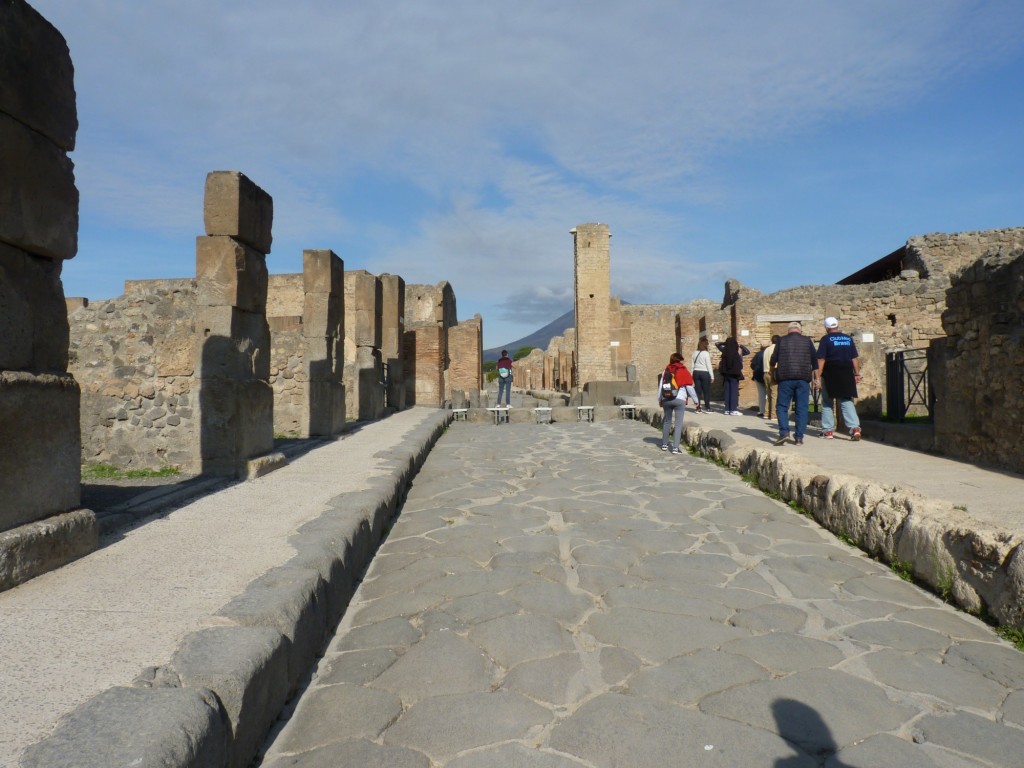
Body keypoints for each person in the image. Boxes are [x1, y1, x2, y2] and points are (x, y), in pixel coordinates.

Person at [769, 322, 818, 446]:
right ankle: (799, 438)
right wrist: (817, 378)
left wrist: (771, 371)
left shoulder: (781, 340)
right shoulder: (807, 341)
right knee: (802, 408)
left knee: (782, 407)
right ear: (800, 331)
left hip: (785, 378)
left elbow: (773, 359)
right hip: (803, 378)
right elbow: (814, 361)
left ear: (788, 330)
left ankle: (784, 433)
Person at [816, 317, 862, 440]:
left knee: (827, 402)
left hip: (830, 372)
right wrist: (857, 373)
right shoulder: (848, 338)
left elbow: (821, 359)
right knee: (846, 400)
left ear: (826, 327)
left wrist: (817, 377)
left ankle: (828, 431)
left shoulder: (825, 339)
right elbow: (854, 358)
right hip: (847, 372)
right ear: (837, 325)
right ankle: (855, 428)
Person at [658, 352, 698, 454]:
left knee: (667, 421)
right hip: (680, 399)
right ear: (680, 360)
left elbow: (660, 386)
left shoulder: (665, 371)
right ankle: (675, 447)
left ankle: (664, 444)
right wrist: (696, 400)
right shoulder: (683, 370)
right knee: (678, 423)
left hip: (666, 398)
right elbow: (689, 387)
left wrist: (660, 399)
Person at [715, 337, 750, 415]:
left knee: (727, 391)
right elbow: (747, 352)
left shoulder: (725, 351)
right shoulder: (737, 352)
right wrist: (740, 345)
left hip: (726, 374)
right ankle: (733, 409)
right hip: (735, 374)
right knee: (734, 391)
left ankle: (727, 409)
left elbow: (717, 344)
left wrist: (725, 343)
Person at [690, 338, 714, 412]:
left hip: (696, 372)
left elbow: (692, 365)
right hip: (704, 373)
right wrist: (712, 376)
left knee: (698, 391)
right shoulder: (706, 353)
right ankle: (707, 408)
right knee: (706, 391)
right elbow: (708, 365)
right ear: (705, 345)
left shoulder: (694, 353)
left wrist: (691, 374)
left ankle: (698, 408)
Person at [762, 334, 780, 420]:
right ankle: (773, 414)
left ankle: (766, 413)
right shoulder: (776, 349)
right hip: (773, 372)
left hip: (765, 373)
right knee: (774, 395)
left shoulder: (766, 349)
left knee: (768, 394)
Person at [750, 343, 767, 417]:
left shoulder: (758, 354)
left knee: (761, 394)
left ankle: (762, 411)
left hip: (758, 375)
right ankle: (770, 411)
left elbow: (752, 365)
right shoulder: (771, 352)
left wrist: (755, 370)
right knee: (771, 394)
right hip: (769, 374)